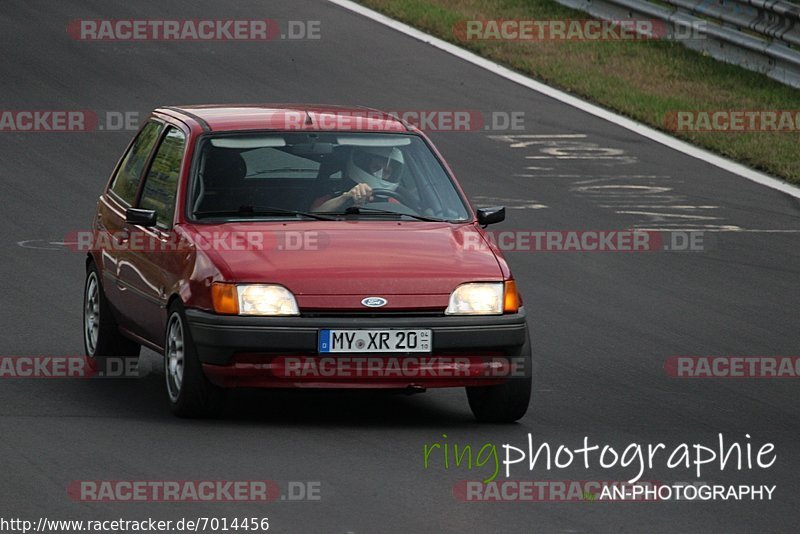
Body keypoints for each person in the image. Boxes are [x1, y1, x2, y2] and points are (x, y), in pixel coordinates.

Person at [312, 146, 404, 212]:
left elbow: (406, 219)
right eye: (376, 167)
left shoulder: (392, 202)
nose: (379, 175)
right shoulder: (335, 195)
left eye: (386, 172)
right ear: (365, 165)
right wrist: (345, 197)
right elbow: (314, 215)